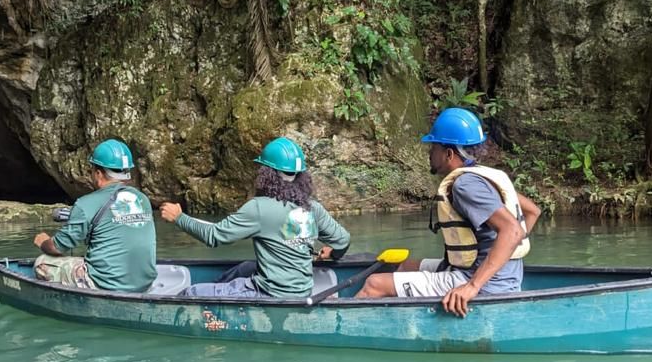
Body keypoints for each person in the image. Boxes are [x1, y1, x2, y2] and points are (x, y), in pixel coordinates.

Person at [356, 107, 540, 316]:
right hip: (499, 277)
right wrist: (506, 261)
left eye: (433, 146)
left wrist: (473, 286)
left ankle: (347, 330)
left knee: (375, 283)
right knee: (406, 265)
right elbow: (533, 211)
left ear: (448, 153)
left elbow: (513, 231)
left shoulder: (465, 185)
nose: (429, 152)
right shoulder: (483, 176)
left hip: (482, 283)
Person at [159, 137, 350, 298]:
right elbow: (342, 240)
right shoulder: (313, 208)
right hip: (303, 291)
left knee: (191, 294)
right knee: (245, 268)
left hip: (270, 293)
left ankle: (212, 298)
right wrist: (333, 254)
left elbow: (214, 236)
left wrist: (179, 218)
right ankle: (219, 291)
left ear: (267, 173)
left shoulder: (259, 208)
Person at [32, 139, 157, 293]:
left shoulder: (85, 204)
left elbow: (57, 247)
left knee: (41, 263)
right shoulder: (143, 199)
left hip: (106, 284)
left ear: (98, 173)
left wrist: (43, 242)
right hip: (144, 283)